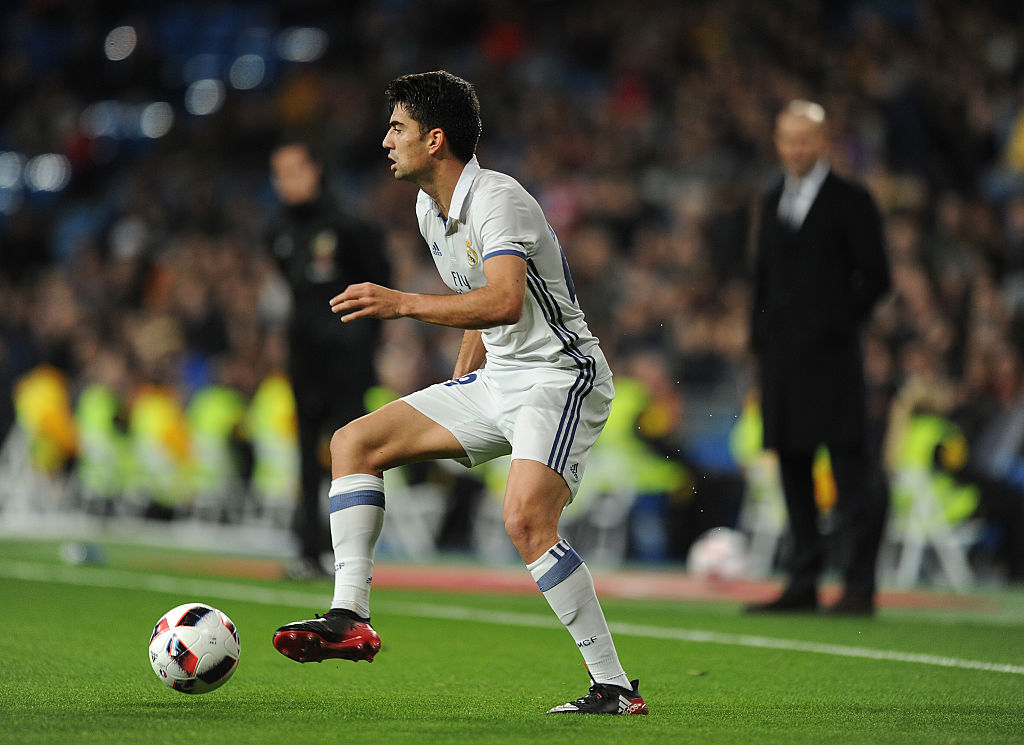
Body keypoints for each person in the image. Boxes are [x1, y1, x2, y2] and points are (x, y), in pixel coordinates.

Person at [272, 71, 648, 716]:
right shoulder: (429, 208)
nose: (386, 140)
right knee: (353, 443)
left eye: (397, 128)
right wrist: (456, 387)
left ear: (435, 138)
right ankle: (349, 616)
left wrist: (403, 305)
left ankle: (613, 686)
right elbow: (481, 313)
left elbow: (503, 300)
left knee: (527, 522)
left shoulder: (498, 200)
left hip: (560, 376)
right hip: (498, 379)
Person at [746, 100, 892, 616]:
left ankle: (858, 586)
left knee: (851, 473)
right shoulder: (772, 198)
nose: (795, 149)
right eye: (787, 140)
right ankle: (804, 580)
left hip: (832, 361)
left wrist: (833, 324)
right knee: (793, 469)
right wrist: (759, 338)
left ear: (824, 141)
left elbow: (876, 277)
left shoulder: (851, 200)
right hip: (783, 362)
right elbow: (762, 278)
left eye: (804, 140)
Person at [268, 139, 391, 578]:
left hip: (347, 359)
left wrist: (362, 344)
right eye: (279, 173)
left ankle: (351, 556)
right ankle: (306, 550)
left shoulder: (349, 226)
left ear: (316, 170)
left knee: (350, 454)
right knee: (305, 453)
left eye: (295, 170)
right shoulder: (278, 230)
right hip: (304, 359)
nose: (286, 181)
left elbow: (381, 282)